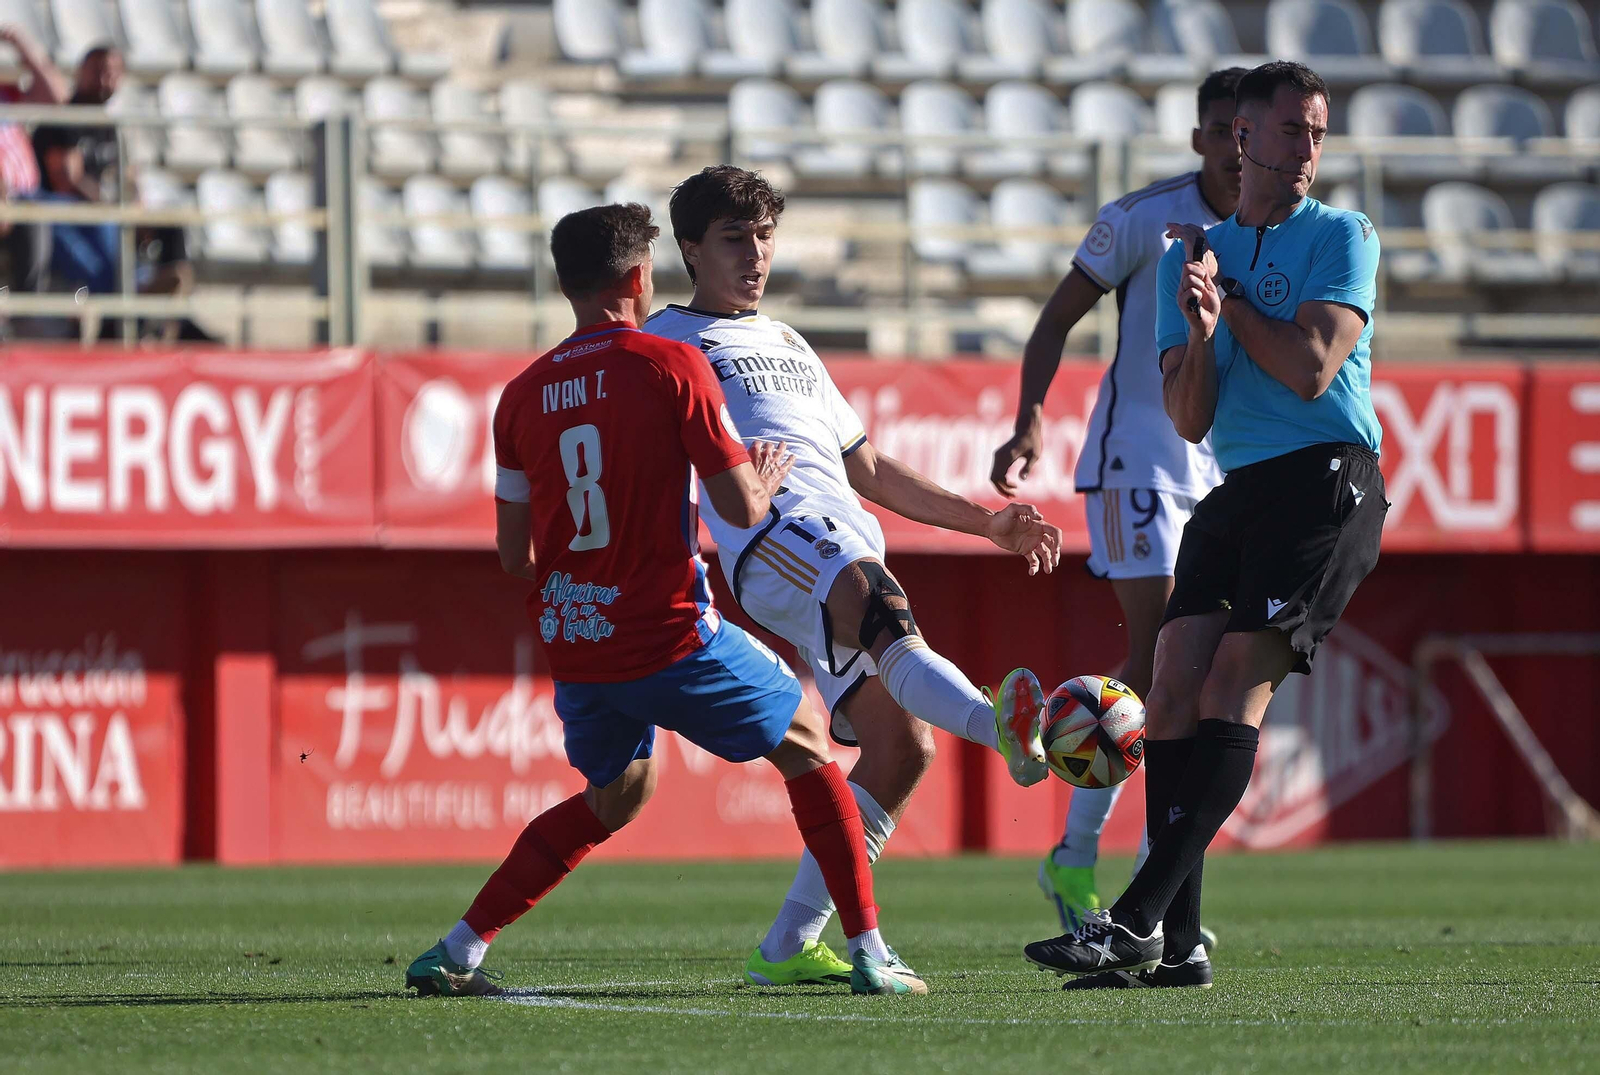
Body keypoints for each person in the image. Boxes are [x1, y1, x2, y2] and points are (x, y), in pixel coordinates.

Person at [405, 203, 927, 999]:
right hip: (669, 629)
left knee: (619, 794)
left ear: (565, 283)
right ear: (640, 280)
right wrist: (767, 472)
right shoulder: (670, 366)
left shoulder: (519, 396)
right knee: (811, 740)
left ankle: (457, 948)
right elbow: (747, 509)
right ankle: (868, 948)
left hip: (577, 637)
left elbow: (517, 556)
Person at [647, 166, 1064, 989]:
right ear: (692, 249)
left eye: (765, 236)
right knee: (880, 605)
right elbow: (639, 457)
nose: (756, 255)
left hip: (837, 530)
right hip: (773, 536)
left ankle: (789, 944)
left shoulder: (792, 342)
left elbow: (868, 466)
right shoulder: (666, 339)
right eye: (735, 239)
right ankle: (1002, 731)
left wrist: (985, 521)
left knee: (902, 745)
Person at [1023, 60, 1386, 989]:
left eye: (1317, 131)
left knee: (1229, 681)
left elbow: (1311, 367)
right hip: (1237, 485)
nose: (1306, 148)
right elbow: (1189, 416)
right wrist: (1198, 321)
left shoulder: (1344, 234)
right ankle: (1178, 941)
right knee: (1172, 688)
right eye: (1291, 130)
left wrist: (1228, 304)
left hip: (1326, 484)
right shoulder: (1195, 253)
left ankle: (1136, 914)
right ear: (1243, 138)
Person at [990, 68, 1245, 936]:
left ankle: (1091, 865)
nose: (1233, 146)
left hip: (1218, 466)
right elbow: (1056, 318)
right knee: (1164, 657)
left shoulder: (1272, 233)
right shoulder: (1144, 218)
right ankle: (1133, 881)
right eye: (1219, 130)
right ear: (1201, 138)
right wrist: (1029, 422)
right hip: (1137, 459)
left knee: (1183, 674)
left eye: (1246, 131)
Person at [64, 44, 123, 202]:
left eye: (111, 73)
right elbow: (68, 179)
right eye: (97, 71)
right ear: (81, 72)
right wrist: (106, 203)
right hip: (72, 206)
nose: (104, 80)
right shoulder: (63, 120)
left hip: (103, 204)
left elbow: (128, 173)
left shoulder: (111, 122)